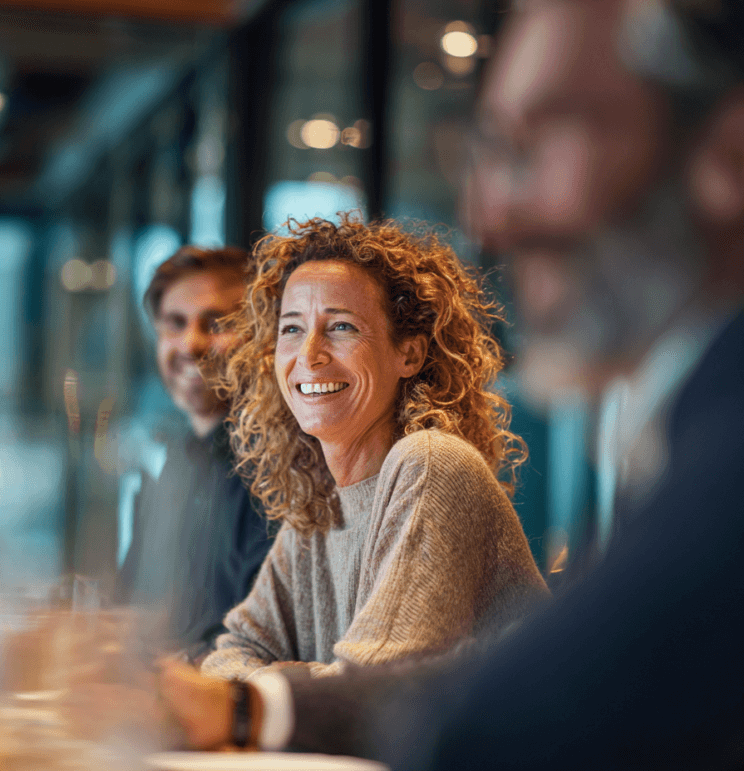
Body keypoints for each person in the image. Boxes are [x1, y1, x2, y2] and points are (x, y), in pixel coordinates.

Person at [163, 0, 744, 766]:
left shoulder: (721, 429)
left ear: (729, 154)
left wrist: (249, 697)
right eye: (494, 150)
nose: (489, 209)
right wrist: (248, 696)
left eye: (545, 138)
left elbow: (497, 705)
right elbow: (240, 648)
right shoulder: (682, 416)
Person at [194, 215, 548, 683]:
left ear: (410, 355)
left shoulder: (431, 464)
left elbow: (374, 689)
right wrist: (284, 680)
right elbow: (231, 654)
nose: (310, 355)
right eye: (292, 329)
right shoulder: (316, 510)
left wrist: (283, 682)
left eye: (341, 327)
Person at [116, 246, 274, 657]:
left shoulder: (276, 467)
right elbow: (128, 611)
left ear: (263, 336)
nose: (191, 343)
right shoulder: (177, 463)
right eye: (175, 323)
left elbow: (260, 642)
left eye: (216, 323)